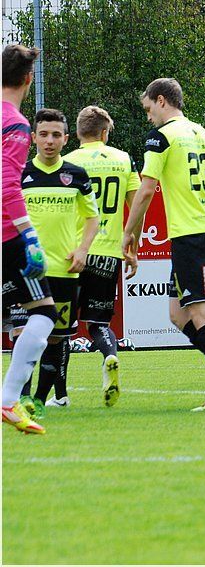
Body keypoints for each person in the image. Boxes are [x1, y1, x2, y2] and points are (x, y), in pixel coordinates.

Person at [122, 77, 205, 412]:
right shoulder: (204, 135)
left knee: (201, 312)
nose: (149, 116)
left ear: (161, 100)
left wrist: (129, 233)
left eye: (148, 108)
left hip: (191, 238)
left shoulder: (161, 137)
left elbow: (146, 190)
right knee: (177, 314)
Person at [16, 108, 99, 417]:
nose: (49, 141)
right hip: (27, 270)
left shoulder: (76, 175)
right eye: (43, 134)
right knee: (23, 335)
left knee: (56, 338)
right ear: (33, 138)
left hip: (64, 269)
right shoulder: (20, 174)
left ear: (65, 139)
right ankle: (21, 398)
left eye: (55, 135)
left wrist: (82, 250)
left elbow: (92, 218)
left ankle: (39, 400)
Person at [63, 105, 141, 408]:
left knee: (62, 329)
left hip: (73, 251)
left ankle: (61, 396)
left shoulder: (67, 162)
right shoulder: (123, 159)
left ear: (77, 133)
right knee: (97, 323)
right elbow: (137, 205)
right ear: (105, 133)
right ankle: (109, 354)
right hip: (108, 252)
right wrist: (132, 245)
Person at [1, 44, 55, 434]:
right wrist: (30, 236)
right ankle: (8, 400)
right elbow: (7, 187)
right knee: (44, 312)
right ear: (29, 79)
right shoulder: (15, 124)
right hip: (8, 236)